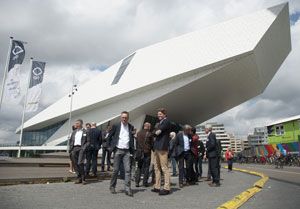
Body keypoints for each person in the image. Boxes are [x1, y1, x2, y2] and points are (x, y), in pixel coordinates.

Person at [108, 111, 135, 197]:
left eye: (126, 117)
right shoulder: (116, 126)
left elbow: (131, 138)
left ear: (128, 118)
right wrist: (109, 147)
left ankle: (127, 188)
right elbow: (109, 137)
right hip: (118, 150)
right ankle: (112, 186)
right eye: (123, 117)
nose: (124, 119)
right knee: (115, 170)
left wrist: (132, 150)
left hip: (127, 151)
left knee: (127, 170)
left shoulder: (131, 126)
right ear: (121, 118)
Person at [151, 108, 172, 195]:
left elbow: (157, 132)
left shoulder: (166, 122)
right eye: (158, 114)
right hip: (157, 147)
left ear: (164, 114)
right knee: (157, 168)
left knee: (164, 168)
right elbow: (156, 131)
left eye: (160, 114)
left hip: (162, 147)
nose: (158, 115)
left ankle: (167, 188)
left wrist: (153, 132)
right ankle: (157, 186)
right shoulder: (160, 122)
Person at [69, 119, 90, 185]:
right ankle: (79, 177)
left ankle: (83, 178)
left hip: (81, 148)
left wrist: (84, 148)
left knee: (80, 163)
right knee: (75, 164)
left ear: (81, 124)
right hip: (74, 148)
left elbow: (88, 142)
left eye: (77, 123)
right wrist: (71, 149)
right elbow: (71, 140)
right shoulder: (74, 132)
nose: (76, 125)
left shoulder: (85, 132)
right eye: (76, 123)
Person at [135, 122, 154, 187]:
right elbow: (152, 144)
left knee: (139, 167)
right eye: (150, 126)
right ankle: (144, 182)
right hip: (147, 153)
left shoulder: (138, 133)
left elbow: (137, 143)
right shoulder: (150, 134)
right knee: (146, 168)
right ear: (148, 127)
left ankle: (137, 182)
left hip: (139, 152)